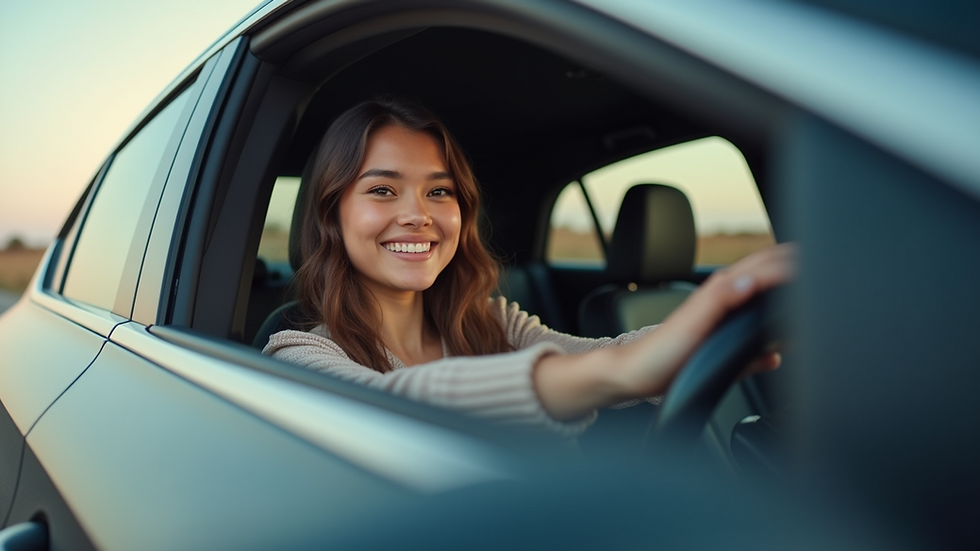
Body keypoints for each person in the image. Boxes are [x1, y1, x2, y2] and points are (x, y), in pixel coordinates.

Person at [263, 97, 793, 436]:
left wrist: (728, 311)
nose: (418, 215)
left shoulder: (493, 321)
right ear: (331, 212)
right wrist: (617, 373)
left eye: (439, 192)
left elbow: (605, 353)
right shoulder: (296, 352)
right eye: (382, 189)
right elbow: (385, 404)